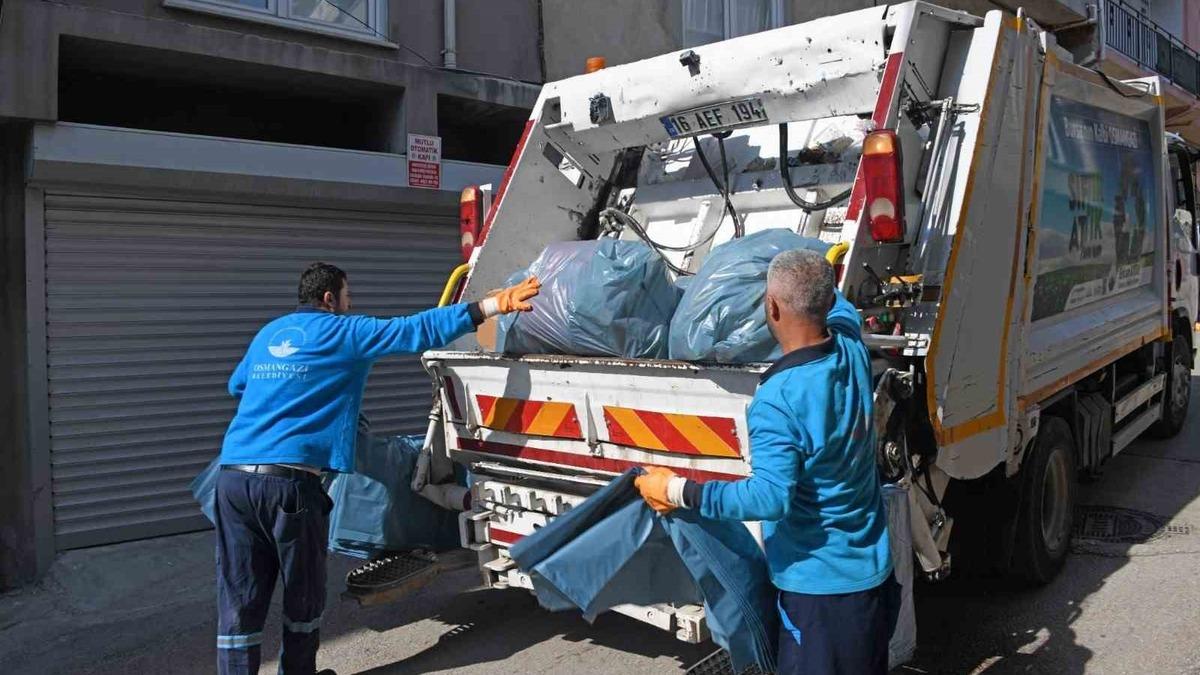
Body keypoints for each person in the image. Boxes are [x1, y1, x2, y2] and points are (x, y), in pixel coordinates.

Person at [214, 262, 539, 675]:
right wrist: (493, 305)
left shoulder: (269, 333)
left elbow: (238, 386)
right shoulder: (344, 332)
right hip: (289, 485)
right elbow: (416, 330)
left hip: (232, 480)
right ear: (330, 299)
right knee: (302, 591)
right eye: (347, 296)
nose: (350, 304)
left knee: (240, 591)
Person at [634, 249, 898, 675]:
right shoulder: (851, 350)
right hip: (871, 574)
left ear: (771, 307)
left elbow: (770, 497)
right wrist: (827, 270)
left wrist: (678, 491)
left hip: (819, 592)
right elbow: (841, 308)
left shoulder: (779, 399)